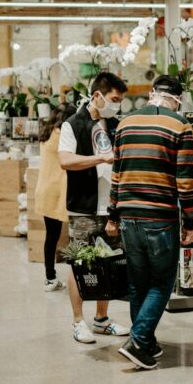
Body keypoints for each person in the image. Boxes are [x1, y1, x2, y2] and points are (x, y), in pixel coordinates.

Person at [109, 75, 193, 370]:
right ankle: (138, 339)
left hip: (127, 216)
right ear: (177, 98)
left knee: (138, 284)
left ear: (151, 94)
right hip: (159, 216)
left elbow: (116, 174)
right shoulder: (180, 125)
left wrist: (112, 214)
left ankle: (147, 344)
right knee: (161, 283)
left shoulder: (124, 123)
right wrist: (190, 219)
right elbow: (185, 178)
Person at [58, 72, 131, 343]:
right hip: (84, 206)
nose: (117, 105)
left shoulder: (116, 125)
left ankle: (101, 319)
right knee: (81, 264)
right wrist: (99, 158)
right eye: (114, 99)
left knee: (108, 262)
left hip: (112, 207)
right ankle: (78, 322)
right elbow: (65, 160)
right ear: (97, 95)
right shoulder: (73, 124)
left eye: (120, 100)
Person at [34, 102, 76, 292]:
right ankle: (75, 277)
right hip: (58, 190)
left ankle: (50, 278)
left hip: (45, 188)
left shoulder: (46, 133)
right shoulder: (62, 135)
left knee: (51, 236)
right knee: (68, 234)